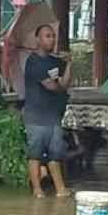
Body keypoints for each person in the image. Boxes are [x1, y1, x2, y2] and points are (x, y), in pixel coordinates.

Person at [23, 24, 72, 199]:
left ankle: (60, 188)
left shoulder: (55, 61)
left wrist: (69, 64)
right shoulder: (33, 62)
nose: (52, 39)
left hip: (53, 115)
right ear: (38, 39)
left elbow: (65, 83)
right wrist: (60, 86)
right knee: (35, 154)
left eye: (53, 36)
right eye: (47, 36)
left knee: (55, 154)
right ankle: (37, 189)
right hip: (36, 116)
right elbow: (52, 86)